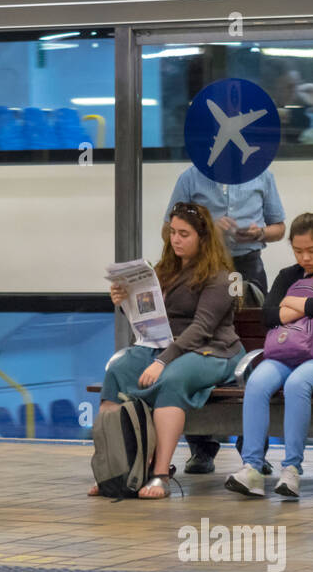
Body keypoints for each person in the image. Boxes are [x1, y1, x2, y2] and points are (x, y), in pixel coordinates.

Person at [94, 201, 243, 499]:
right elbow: (147, 321)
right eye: (172, 232)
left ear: (203, 238)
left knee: (172, 379)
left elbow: (201, 329)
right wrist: (124, 302)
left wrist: (162, 362)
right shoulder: (163, 271)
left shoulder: (221, 277)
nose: (175, 239)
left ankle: (160, 474)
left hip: (212, 351)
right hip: (165, 347)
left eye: (184, 234)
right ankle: (114, 470)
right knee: (116, 370)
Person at [164, 166, 286, 474]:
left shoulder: (262, 175)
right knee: (199, 339)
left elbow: (279, 227)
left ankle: (254, 450)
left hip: (247, 264)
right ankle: (202, 449)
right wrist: (208, 228)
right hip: (204, 264)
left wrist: (258, 232)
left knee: (252, 343)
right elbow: (170, 227)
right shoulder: (190, 177)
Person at [228, 213, 313, 499]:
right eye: (298, 251)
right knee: (258, 381)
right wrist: (305, 306)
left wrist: (293, 302)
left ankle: (292, 469)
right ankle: (252, 466)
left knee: (297, 384)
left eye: (312, 250)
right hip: (287, 353)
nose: (305, 258)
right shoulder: (288, 275)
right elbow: (269, 315)